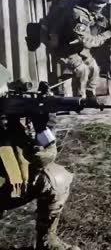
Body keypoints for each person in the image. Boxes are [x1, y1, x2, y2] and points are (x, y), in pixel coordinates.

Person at [0, 65, 79, 250]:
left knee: (55, 178)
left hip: (8, 186)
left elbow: (38, 157)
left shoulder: (10, 120)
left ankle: (47, 242)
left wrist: (43, 127)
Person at [43, 0, 111, 98]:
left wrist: (103, 23)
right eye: (97, 7)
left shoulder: (86, 3)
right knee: (82, 70)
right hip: (63, 47)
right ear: (89, 1)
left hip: (75, 45)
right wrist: (107, 34)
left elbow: (95, 16)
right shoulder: (77, 13)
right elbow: (87, 42)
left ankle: (90, 94)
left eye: (101, 7)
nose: (99, 10)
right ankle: (79, 99)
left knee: (94, 68)